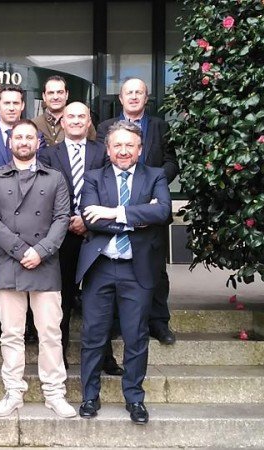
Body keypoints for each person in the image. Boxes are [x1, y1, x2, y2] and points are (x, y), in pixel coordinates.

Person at [76, 120, 171, 424]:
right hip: (101, 267)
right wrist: (137, 217)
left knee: (136, 336)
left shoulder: (155, 175)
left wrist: (113, 211)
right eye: (117, 145)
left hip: (137, 269)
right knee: (93, 336)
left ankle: (135, 398)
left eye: (130, 145)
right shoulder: (93, 178)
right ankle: (90, 396)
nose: (123, 151)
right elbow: (90, 218)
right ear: (108, 149)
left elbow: (163, 212)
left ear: (140, 149)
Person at [0, 119, 76, 419]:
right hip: (9, 263)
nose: (24, 142)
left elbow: (63, 218)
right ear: (10, 142)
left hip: (46, 264)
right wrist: (23, 251)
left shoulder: (55, 178)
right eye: (18, 137)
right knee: (11, 333)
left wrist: (41, 251)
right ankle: (13, 392)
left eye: (29, 137)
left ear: (38, 143)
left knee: (50, 333)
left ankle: (55, 393)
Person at [37, 102, 123, 374]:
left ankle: (105, 357)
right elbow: (45, 193)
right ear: (62, 122)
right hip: (60, 237)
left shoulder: (103, 153)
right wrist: (68, 221)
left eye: (81, 117)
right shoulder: (48, 154)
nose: (75, 121)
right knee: (60, 299)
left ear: (89, 123)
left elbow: (111, 190)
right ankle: (58, 357)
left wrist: (86, 221)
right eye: (70, 116)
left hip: (96, 234)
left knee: (100, 298)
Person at [96, 77, 179, 345]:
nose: (133, 96)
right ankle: (119, 322)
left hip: (152, 203)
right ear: (120, 98)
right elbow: (99, 163)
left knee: (156, 267)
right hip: (115, 201)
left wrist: (152, 183)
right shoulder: (105, 127)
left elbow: (171, 162)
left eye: (139, 92)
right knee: (116, 264)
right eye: (128, 92)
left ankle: (159, 322)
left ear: (146, 98)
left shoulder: (160, 125)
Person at [0, 86, 45, 343]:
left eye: (16, 102)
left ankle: (29, 327)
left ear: (22, 105)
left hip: (32, 219)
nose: (12, 107)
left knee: (30, 276)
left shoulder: (34, 135)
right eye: (7, 103)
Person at [33, 76, 97, 146]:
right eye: (51, 93)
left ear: (66, 95)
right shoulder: (34, 125)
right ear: (44, 96)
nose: (55, 97)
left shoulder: (81, 122)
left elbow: (94, 150)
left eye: (60, 92)